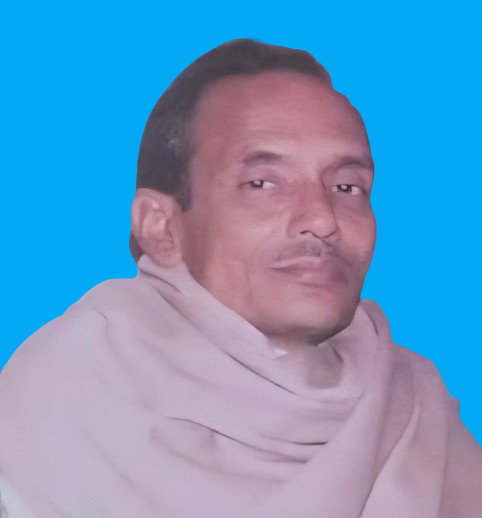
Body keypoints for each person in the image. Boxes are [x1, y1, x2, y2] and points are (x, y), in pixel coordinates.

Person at [0, 39, 481, 518]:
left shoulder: (415, 412)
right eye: (263, 183)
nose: (322, 218)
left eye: (346, 186)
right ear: (160, 226)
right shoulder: (57, 404)